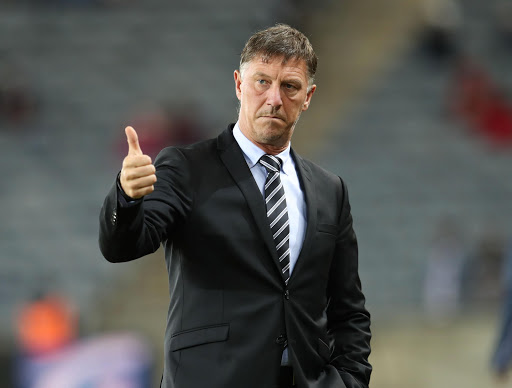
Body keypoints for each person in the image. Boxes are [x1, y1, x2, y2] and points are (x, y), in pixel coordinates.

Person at [99, 24, 372, 388]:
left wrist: (349, 381)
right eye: (262, 81)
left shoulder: (330, 190)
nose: (274, 98)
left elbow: (348, 309)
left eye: (289, 86)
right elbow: (123, 245)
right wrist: (127, 196)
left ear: (308, 96)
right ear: (239, 84)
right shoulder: (186, 168)